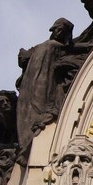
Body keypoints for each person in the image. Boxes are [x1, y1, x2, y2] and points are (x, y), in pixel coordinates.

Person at [17, 18, 74, 165]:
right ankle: (26, 142)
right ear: (53, 29)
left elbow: (77, 48)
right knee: (27, 109)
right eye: (57, 29)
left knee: (39, 107)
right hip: (30, 83)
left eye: (63, 31)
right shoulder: (41, 46)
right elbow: (23, 58)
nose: (59, 32)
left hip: (46, 84)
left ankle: (30, 141)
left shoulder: (57, 47)